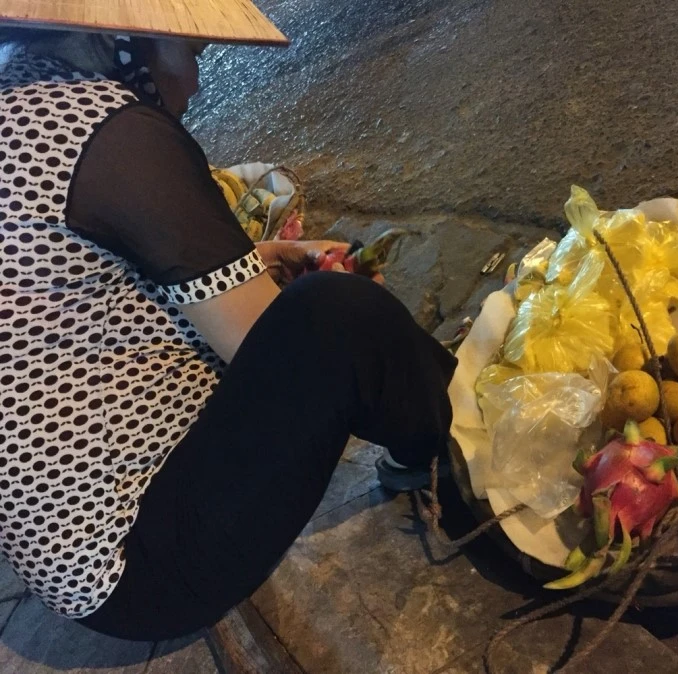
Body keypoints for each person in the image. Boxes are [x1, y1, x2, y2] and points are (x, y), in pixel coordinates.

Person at [0, 2, 456, 640]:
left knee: (317, 311)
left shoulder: (25, 99)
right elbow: (277, 349)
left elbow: (98, 290)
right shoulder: (112, 133)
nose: (195, 81)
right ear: (125, 38)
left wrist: (259, 260)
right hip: (140, 565)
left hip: (72, 562)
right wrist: (334, 315)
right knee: (340, 315)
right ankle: (447, 446)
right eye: (192, 55)